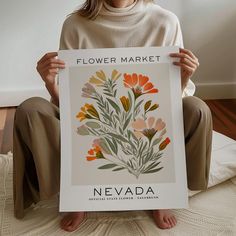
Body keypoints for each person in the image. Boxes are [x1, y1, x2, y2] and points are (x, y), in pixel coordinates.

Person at [13, 0, 213, 232]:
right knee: (31, 109)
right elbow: (70, 105)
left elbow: (172, 101)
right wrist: (50, 84)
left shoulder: (165, 22)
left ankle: (162, 193)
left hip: (149, 119)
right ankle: (75, 194)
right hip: (92, 121)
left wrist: (184, 77)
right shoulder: (75, 24)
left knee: (197, 108)